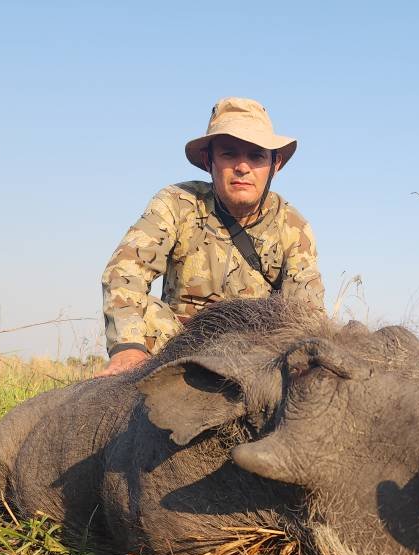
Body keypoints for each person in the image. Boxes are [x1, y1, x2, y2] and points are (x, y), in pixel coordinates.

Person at [96, 97, 325, 377]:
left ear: (274, 164)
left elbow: (306, 313)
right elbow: (125, 270)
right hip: (177, 345)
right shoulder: (176, 203)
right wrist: (128, 349)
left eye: (256, 156)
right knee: (143, 313)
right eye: (229, 154)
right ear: (208, 161)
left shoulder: (293, 226)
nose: (242, 167)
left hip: (255, 358)